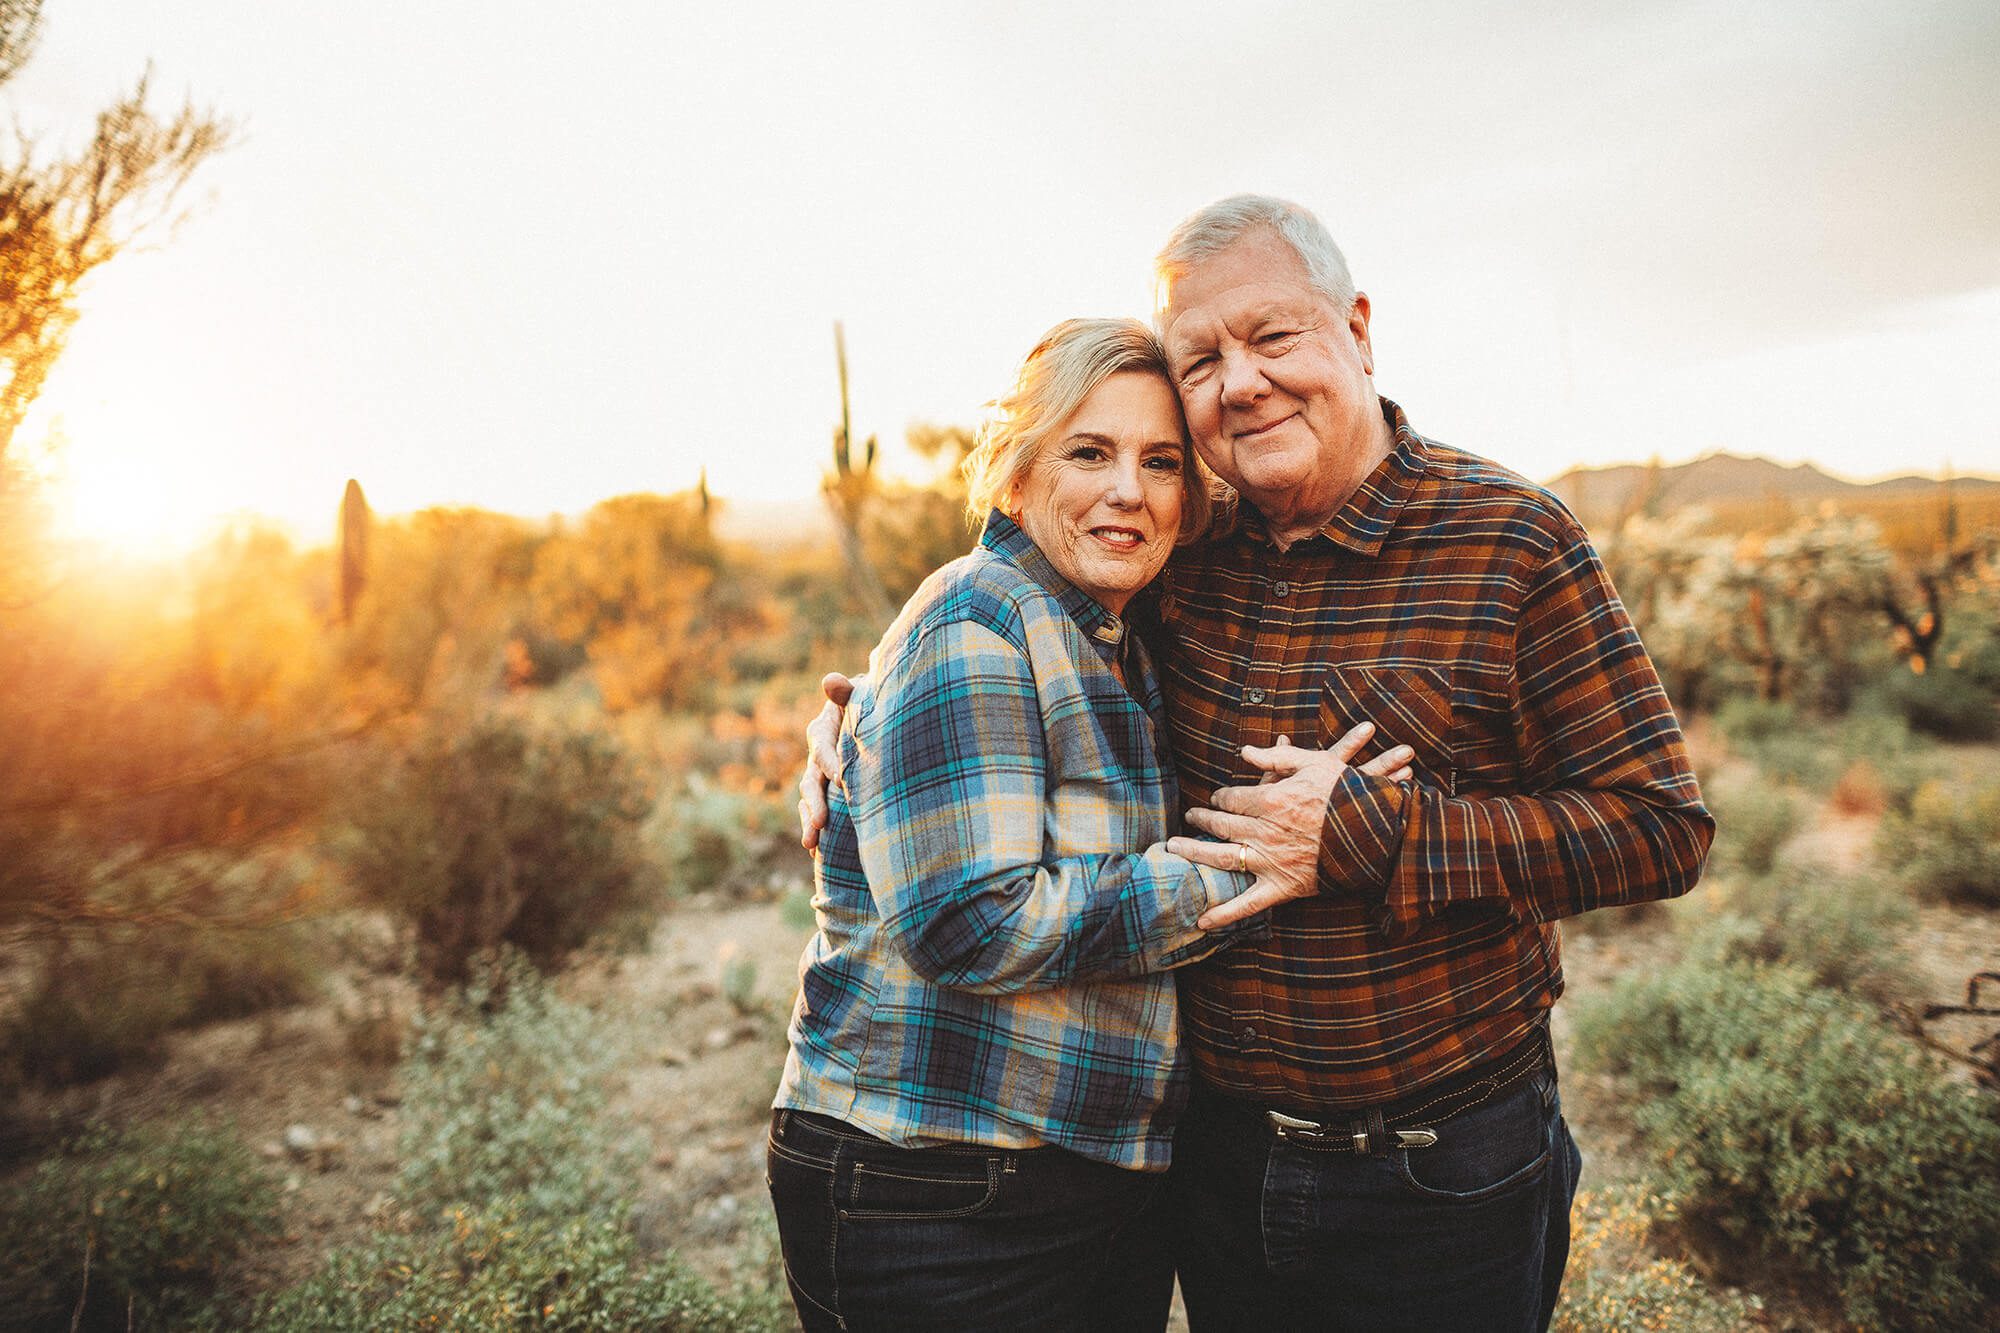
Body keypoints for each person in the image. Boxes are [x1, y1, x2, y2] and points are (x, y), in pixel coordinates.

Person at [799, 196, 1713, 1332]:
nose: (1240, 381)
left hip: (1434, 1172)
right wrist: (861, 716)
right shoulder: (1184, 543)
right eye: (1202, 357)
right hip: (1209, 1163)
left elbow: (1657, 825)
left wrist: (1374, 834)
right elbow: (1001, 639)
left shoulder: (1511, 541)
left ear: (1357, 330)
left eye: (1271, 335)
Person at [768, 315, 1418, 1333]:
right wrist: (1264, 857)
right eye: (1089, 451)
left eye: (1161, 462)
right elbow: (966, 922)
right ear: (1016, 474)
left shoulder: (1115, 634)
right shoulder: (974, 621)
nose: (1128, 489)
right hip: (936, 1184)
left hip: (1076, 1181)